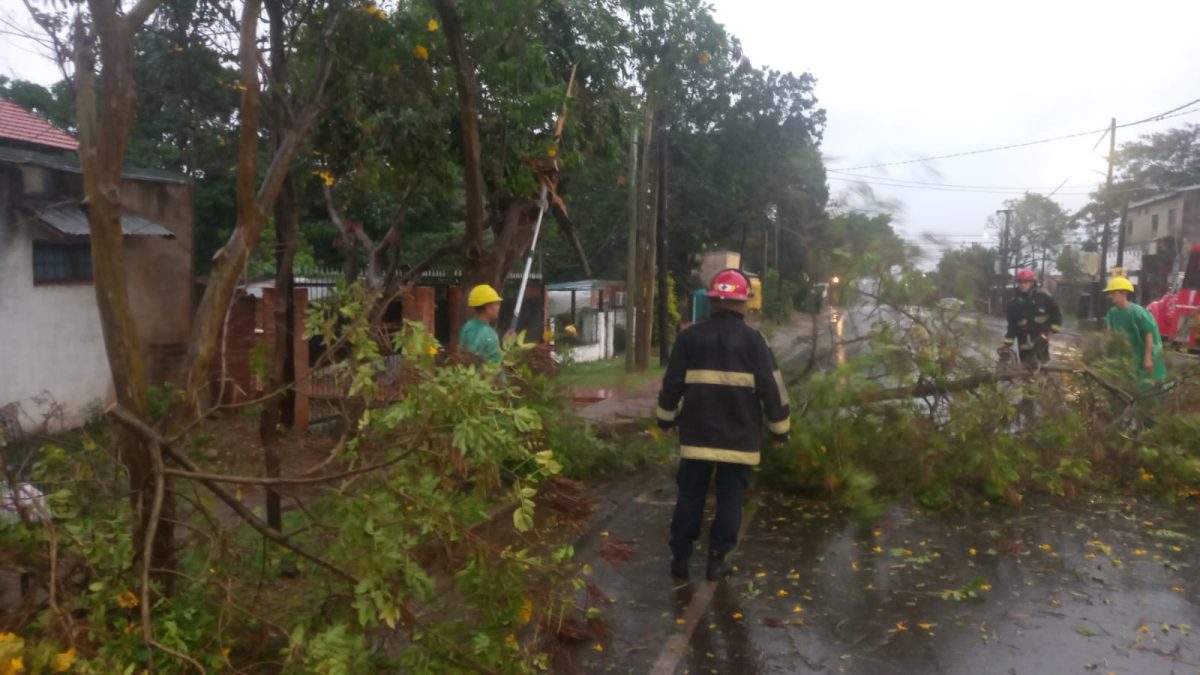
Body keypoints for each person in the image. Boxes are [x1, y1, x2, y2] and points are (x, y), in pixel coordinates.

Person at [656, 269, 791, 582]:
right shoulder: (756, 341)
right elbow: (773, 389)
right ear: (743, 303)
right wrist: (780, 430)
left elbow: (672, 385)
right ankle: (717, 562)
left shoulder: (689, 337)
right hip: (739, 438)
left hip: (697, 436)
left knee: (690, 495)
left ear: (713, 301)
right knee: (731, 499)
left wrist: (664, 420)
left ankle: (680, 559)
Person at [1103, 276, 1167, 384]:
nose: (1111, 296)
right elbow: (1110, 332)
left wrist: (1148, 358)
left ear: (1124, 293)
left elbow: (1149, 334)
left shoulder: (1138, 312)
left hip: (1141, 354)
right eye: (1110, 293)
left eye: (1113, 293)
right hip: (1126, 356)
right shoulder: (1113, 313)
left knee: (1146, 384)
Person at [1003, 269, 1062, 366]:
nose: (1023, 285)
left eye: (1025, 282)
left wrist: (1051, 331)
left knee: (1042, 368)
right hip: (1023, 343)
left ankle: (1045, 379)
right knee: (1026, 370)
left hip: (1040, 340)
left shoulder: (1043, 297)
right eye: (1020, 282)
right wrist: (1007, 344)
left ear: (1032, 283)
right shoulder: (1013, 304)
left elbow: (1056, 313)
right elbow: (1012, 326)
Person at [459, 284, 508, 364]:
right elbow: (496, 364)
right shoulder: (489, 333)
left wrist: (504, 343)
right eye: (496, 304)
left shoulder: (466, 327)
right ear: (488, 307)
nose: (499, 307)